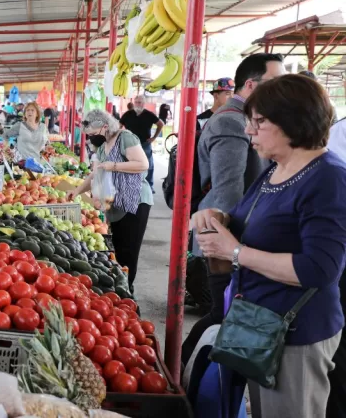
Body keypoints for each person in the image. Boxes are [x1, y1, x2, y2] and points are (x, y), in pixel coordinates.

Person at [194, 74, 346, 418]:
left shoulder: (328, 178)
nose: (249, 131)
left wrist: (235, 252)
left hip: (296, 333)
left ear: (294, 119)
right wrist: (218, 216)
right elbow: (252, 219)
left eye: (259, 122)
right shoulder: (275, 169)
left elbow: (320, 269)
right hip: (259, 323)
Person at [181, 54, 285, 366]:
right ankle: (189, 375)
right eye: (275, 83)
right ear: (251, 85)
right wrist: (229, 248)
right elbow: (228, 191)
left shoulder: (244, 118)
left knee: (224, 316)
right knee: (223, 316)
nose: (280, 91)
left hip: (234, 240)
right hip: (228, 240)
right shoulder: (231, 121)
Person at [68, 109, 152, 292]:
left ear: (105, 126)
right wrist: (77, 190)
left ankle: (127, 291)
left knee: (129, 252)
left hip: (135, 201)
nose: (91, 139)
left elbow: (142, 164)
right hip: (117, 203)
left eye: (92, 134)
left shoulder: (125, 138)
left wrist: (113, 166)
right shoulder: (104, 145)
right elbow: (96, 174)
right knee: (120, 250)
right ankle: (122, 290)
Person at [119, 95, 163, 192]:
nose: (138, 104)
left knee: (148, 165)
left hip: (144, 143)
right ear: (134, 103)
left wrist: (154, 137)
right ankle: (129, 185)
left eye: (140, 102)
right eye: (137, 102)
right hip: (130, 144)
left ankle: (149, 186)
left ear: (144, 103)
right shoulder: (127, 114)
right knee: (129, 164)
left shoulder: (149, 114)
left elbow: (160, 124)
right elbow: (119, 126)